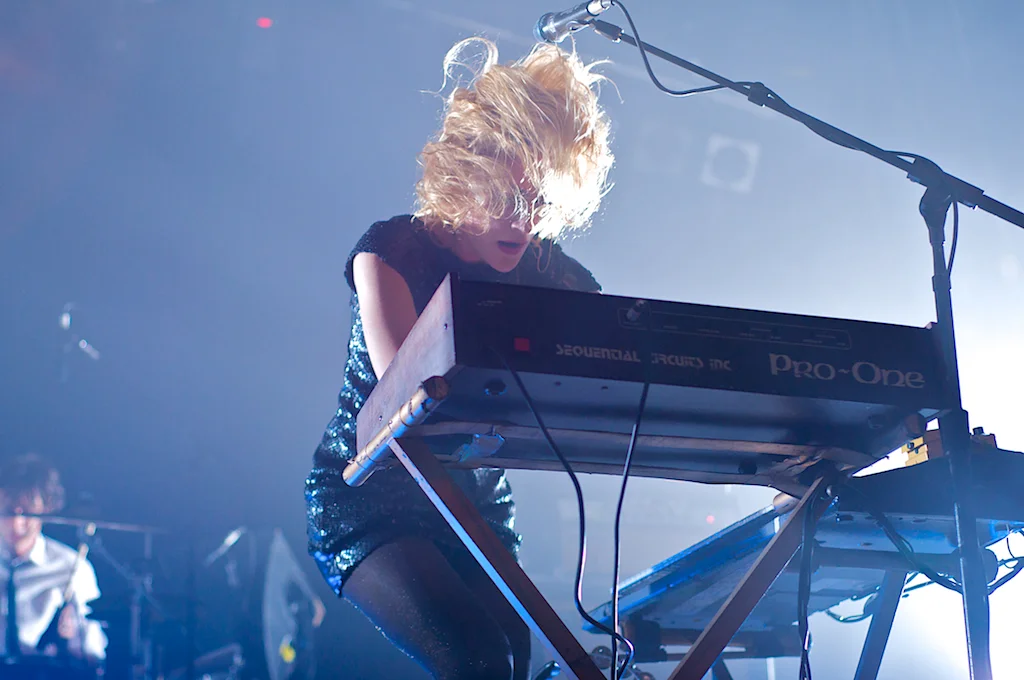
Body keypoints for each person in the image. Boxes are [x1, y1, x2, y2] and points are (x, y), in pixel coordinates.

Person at [305, 37, 613, 680]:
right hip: (373, 501)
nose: (526, 221)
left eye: (543, 200)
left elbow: (614, 355)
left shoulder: (549, 270)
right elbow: (408, 401)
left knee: (513, 653)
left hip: (474, 505)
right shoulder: (390, 252)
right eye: (513, 196)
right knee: (478, 655)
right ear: (468, 174)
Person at [0, 453, 107, 664]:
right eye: (8, 510)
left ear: (46, 509)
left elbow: (93, 657)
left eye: (28, 512)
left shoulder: (73, 568)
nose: (17, 522)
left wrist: (74, 637)